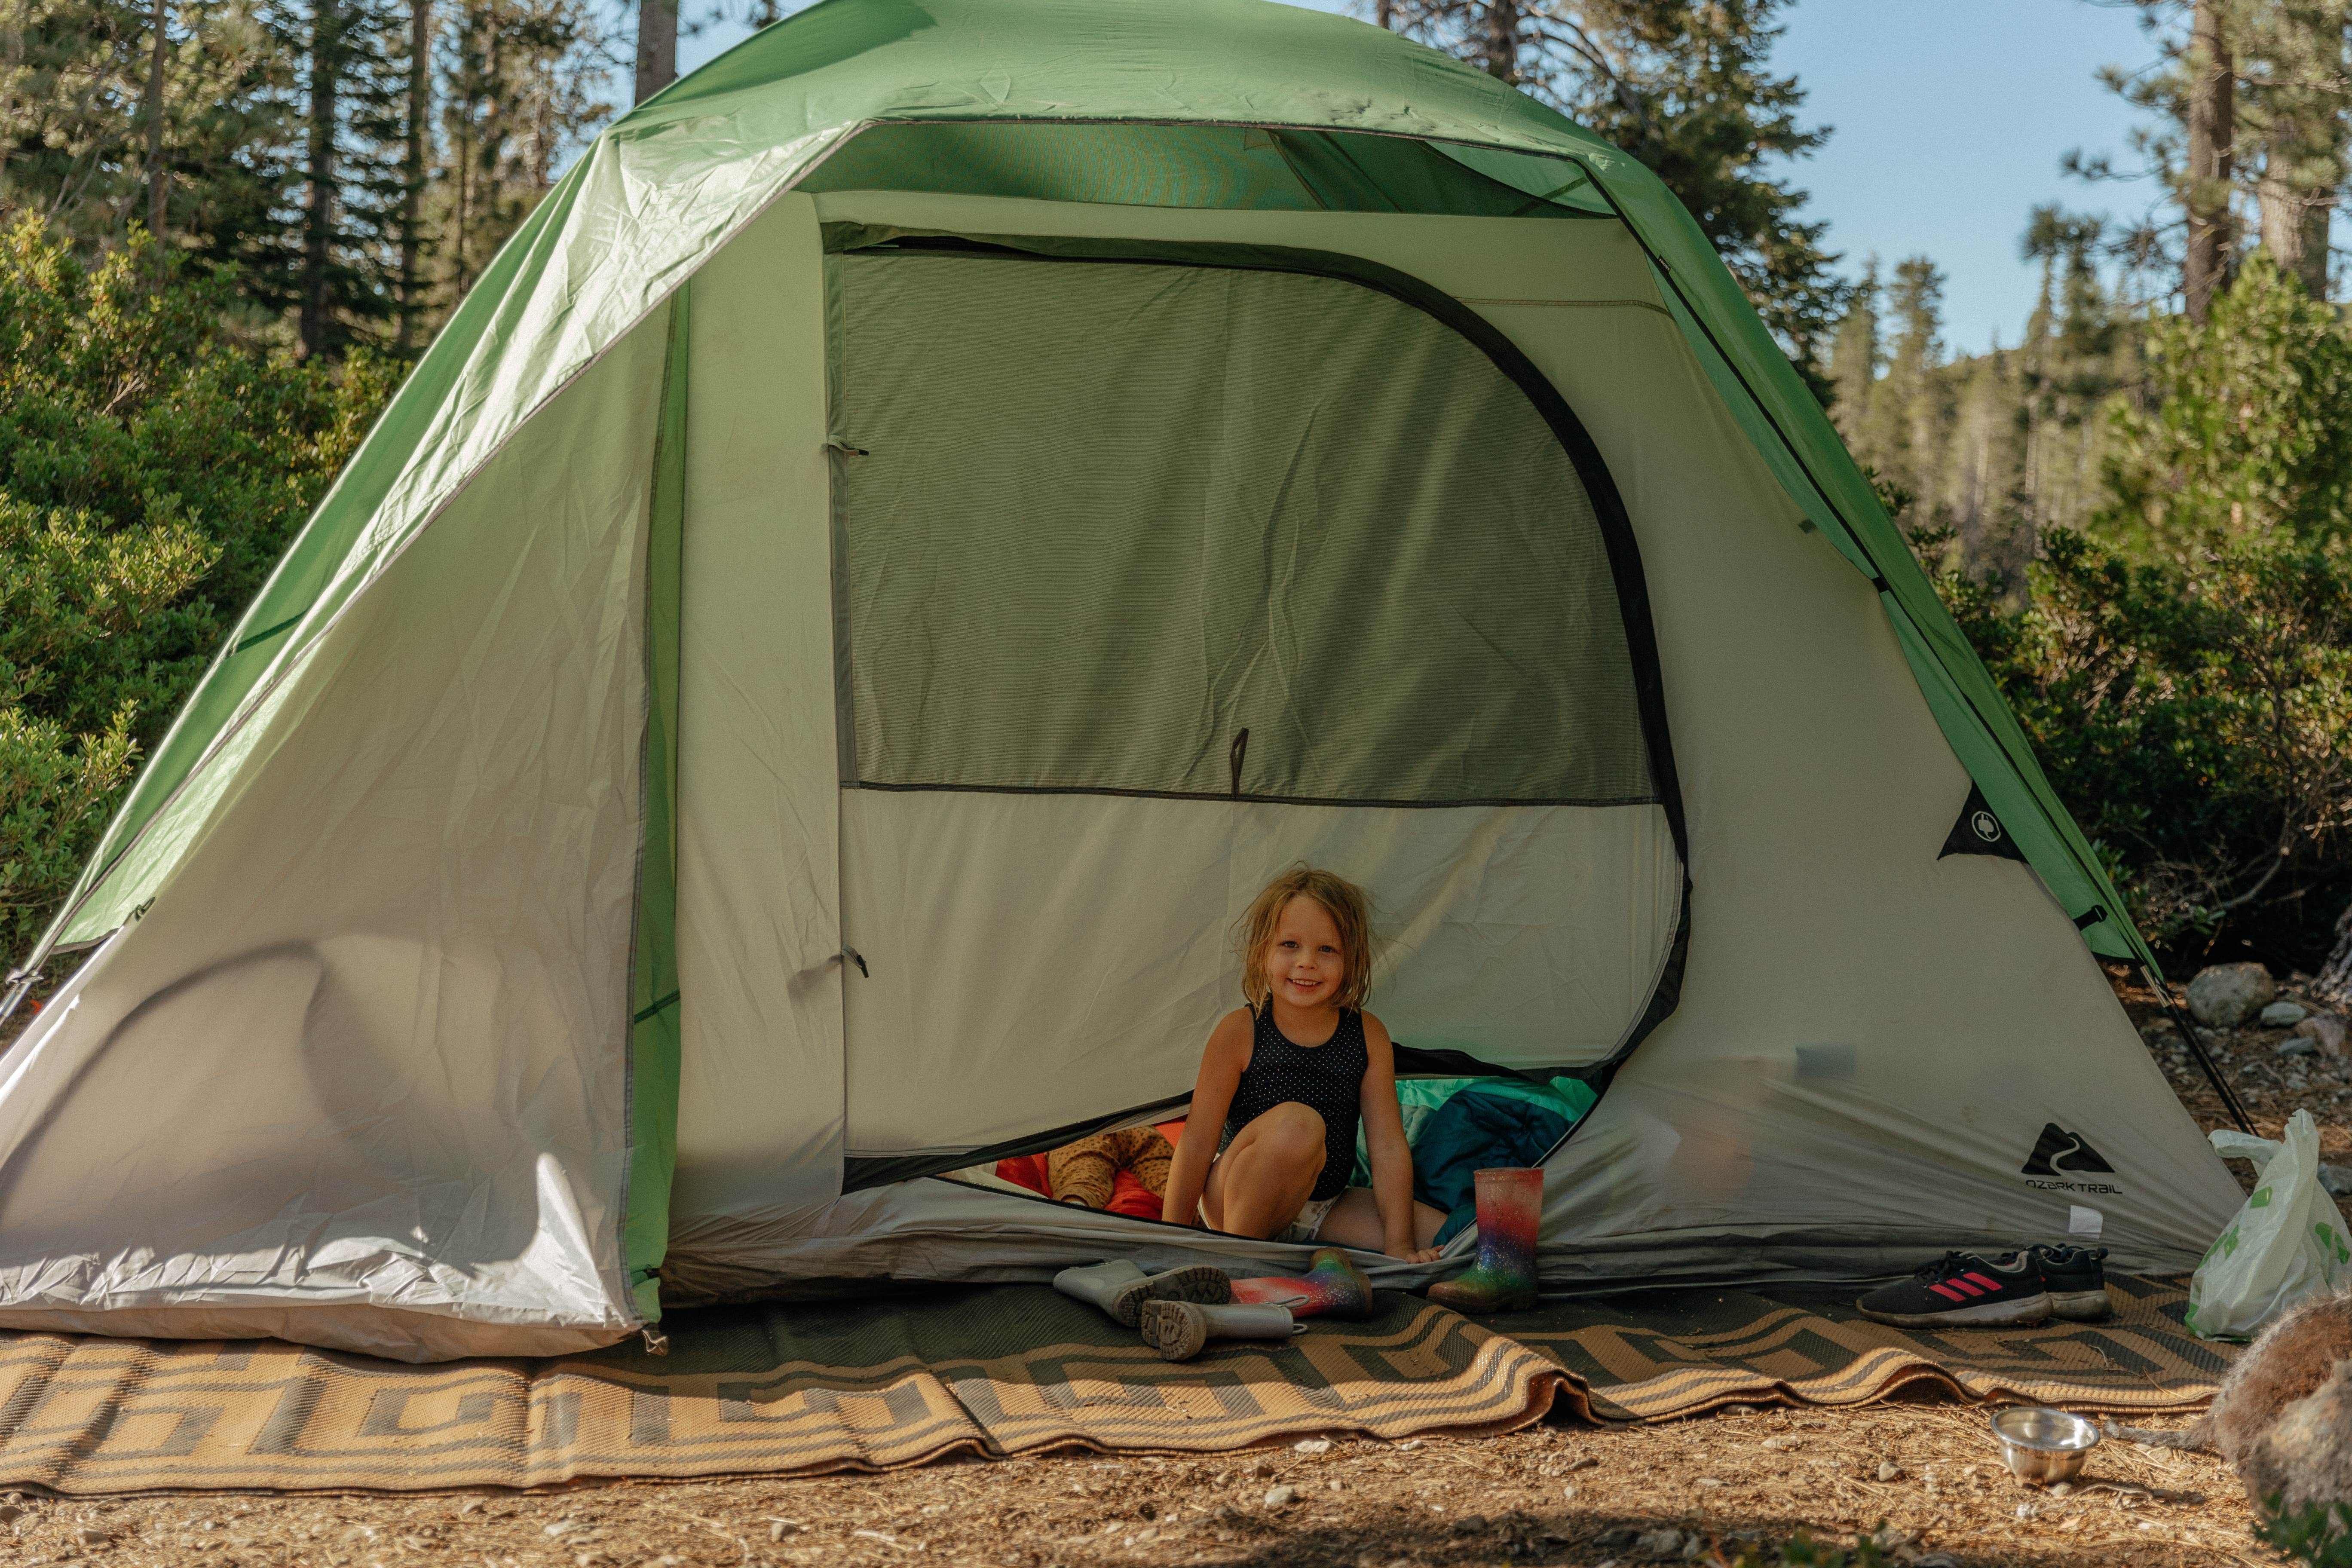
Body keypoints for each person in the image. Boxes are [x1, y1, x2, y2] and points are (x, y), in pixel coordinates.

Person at [1160, 866, 1446, 1262]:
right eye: (1290, 945)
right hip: (1234, 1202)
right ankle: (1240, 1263)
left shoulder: (1368, 1034)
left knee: (1453, 1237)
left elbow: (1387, 1146)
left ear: (1352, 959)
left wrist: (1400, 1246)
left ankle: (1288, 1261)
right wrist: (1171, 1239)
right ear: (1263, 953)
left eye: (1327, 949)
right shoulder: (1240, 1031)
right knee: (1298, 1124)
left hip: (1324, 1206)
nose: (1307, 962)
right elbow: (1196, 1142)